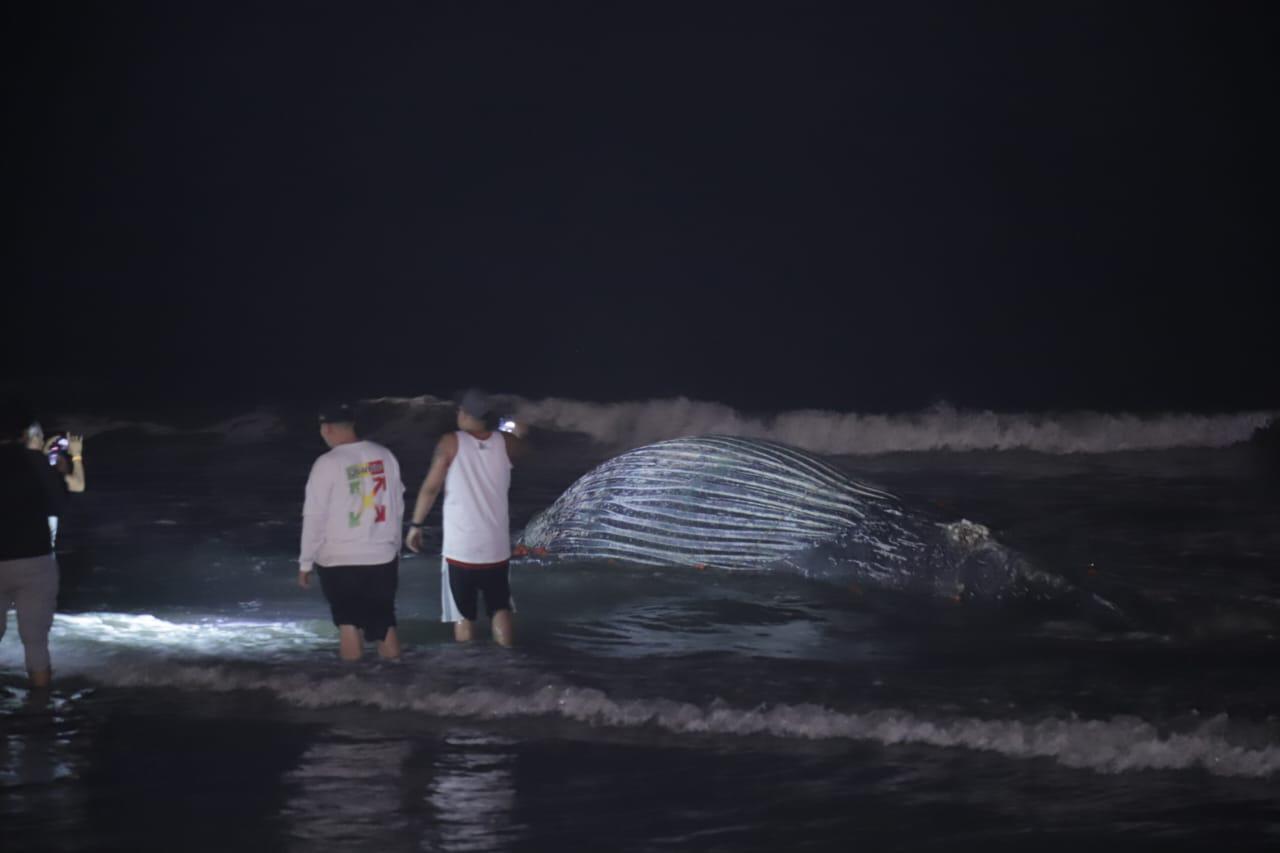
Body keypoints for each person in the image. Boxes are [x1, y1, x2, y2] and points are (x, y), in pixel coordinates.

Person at [406, 389, 526, 647]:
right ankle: (509, 659)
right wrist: (520, 432)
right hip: (496, 546)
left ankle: (469, 667)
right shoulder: (506, 443)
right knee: (500, 607)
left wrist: (415, 525)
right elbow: (524, 446)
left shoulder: (450, 442)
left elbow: (430, 488)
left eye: (460, 410)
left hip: (461, 548)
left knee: (462, 613)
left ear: (467, 414)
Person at [297, 403, 405, 661]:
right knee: (385, 626)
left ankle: (354, 690)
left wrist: (305, 562)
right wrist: (394, 547)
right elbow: (397, 505)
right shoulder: (385, 455)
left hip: (339, 559)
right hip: (381, 557)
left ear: (327, 428)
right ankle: (398, 688)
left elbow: (314, 516)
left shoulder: (327, 463)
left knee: (348, 626)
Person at [0, 409, 69, 688]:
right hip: (34, 559)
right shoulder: (35, 462)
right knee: (35, 641)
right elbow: (58, 506)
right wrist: (61, 475)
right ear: (23, 434)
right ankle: (40, 710)